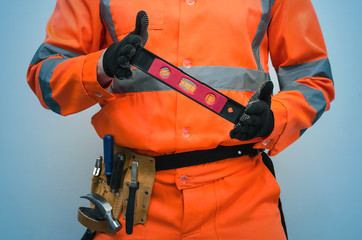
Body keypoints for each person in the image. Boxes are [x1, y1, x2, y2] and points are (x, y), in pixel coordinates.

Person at [27, 0, 335, 239]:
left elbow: (313, 80)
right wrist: (103, 65)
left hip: (242, 200)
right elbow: (46, 77)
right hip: (131, 206)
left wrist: (274, 120)